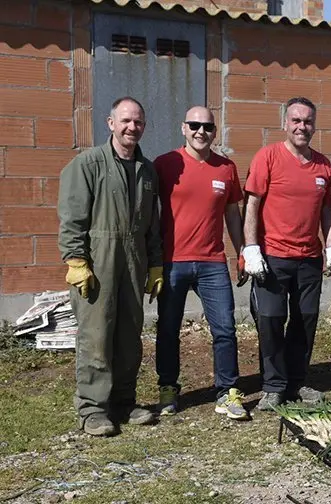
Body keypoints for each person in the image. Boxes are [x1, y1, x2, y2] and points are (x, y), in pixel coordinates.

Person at [58, 96, 162, 436]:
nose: (133, 127)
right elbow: (72, 219)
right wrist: (76, 261)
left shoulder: (147, 170)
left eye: (139, 122)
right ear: (111, 123)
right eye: (126, 121)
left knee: (130, 335)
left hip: (134, 263)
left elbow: (153, 225)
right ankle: (92, 409)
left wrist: (156, 265)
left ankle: (124, 401)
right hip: (98, 263)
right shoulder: (87, 164)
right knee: (96, 335)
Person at [153, 106, 249, 420]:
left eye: (207, 127)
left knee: (225, 329)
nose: (201, 132)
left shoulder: (226, 168)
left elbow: (232, 215)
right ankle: (168, 388)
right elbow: (147, 212)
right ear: (184, 128)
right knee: (168, 330)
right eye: (194, 125)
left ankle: (227, 392)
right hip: (173, 262)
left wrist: (243, 251)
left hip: (212, 262)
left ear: (214, 132)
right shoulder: (166, 164)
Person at [242, 97, 331, 410]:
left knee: (305, 320)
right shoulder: (267, 157)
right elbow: (252, 205)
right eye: (296, 120)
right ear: (285, 123)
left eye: (308, 121)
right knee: (270, 320)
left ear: (314, 124)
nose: (302, 127)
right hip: (272, 257)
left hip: (309, 258)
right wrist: (251, 249)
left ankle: (297, 382)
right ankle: (273, 387)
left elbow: (327, 212)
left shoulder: (324, 165)